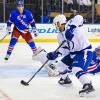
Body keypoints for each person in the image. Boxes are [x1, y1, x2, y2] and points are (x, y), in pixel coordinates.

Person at [46, 14, 95, 96]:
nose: (55, 26)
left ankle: (88, 85)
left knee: (76, 68)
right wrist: (56, 54)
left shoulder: (70, 24)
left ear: (61, 22)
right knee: (60, 65)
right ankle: (66, 80)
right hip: (73, 53)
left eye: (56, 24)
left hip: (84, 51)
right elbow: (65, 50)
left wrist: (71, 28)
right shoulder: (59, 35)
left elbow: (79, 17)